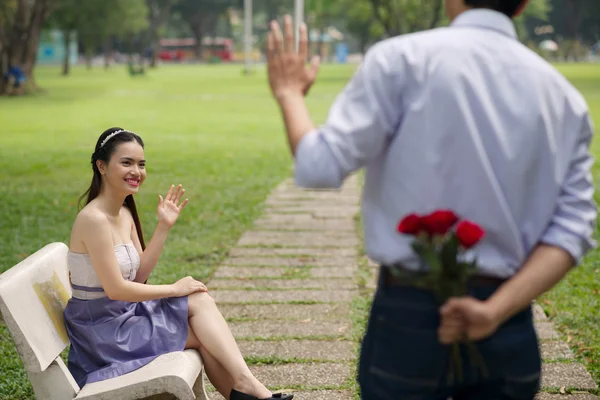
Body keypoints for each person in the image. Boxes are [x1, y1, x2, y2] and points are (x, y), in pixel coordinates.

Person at [265, 0, 596, 398]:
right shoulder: (563, 98)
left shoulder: (400, 59)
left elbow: (320, 166)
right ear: (524, 4)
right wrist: (494, 311)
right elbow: (574, 228)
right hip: (508, 321)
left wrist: (288, 93)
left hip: (410, 318)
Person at [64, 127, 293, 400]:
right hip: (103, 335)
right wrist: (174, 288)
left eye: (141, 164)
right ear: (101, 166)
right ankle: (252, 390)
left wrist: (163, 226)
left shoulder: (123, 213)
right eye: (126, 163)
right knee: (201, 332)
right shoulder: (94, 220)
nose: (136, 171)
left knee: (200, 302)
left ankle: (248, 387)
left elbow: (138, 277)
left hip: (123, 318)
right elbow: (117, 290)